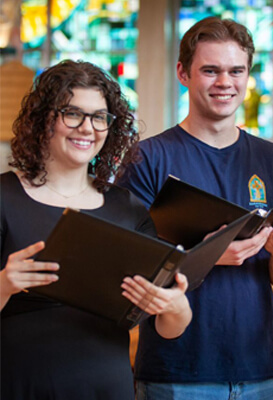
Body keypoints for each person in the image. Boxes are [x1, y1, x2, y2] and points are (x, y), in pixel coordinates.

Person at [118, 17, 273, 400]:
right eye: (210, 70)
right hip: (176, 371)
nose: (225, 82)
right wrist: (210, 255)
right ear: (183, 73)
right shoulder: (147, 158)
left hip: (257, 370)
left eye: (236, 71)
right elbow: (128, 269)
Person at [0, 59, 192, 400]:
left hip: (105, 385)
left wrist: (175, 306)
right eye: (72, 113)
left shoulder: (127, 208)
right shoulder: (4, 198)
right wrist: (3, 284)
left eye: (99, 117)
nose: (87, 128)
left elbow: (168, 327)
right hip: (19, 383)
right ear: (44, 118)